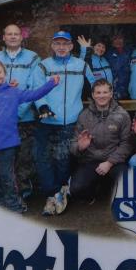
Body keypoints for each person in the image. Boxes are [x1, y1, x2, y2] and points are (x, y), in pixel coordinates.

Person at [0, 61, 59, 212]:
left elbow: (34, 94)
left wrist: (51, 83)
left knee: (7, 176)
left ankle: (13, 206)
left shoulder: (13, 92)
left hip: (7, 144)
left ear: (5, 73)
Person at [32, 31, 96, 216]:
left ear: (71, 46)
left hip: (71, 121)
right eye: (57, 43)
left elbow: (95, 85)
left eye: (65, 44)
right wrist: (42, 106)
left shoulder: (81, 65)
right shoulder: (43, 65)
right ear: (52, 46)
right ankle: (50, 194)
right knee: (43, 158)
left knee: (63, 159)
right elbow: (36, 88)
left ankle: (60, 194)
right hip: (47, 119)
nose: (61, 47)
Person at [0, 23, 42, 197]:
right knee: (3, 156)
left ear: (21, 37)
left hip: (24, 117)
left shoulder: (33, 57)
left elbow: (34, 87)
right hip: (0, 119)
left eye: (16, 34)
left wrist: (18, 111)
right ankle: (7, 192)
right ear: (3, 37)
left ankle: (23, 191)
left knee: (24, 156)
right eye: (9, 34)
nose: (13, 37)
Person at [69, 79, 131, 205]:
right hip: (90, 160)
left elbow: (127, 144)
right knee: (76, 189)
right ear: (93, 95)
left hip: (113, 161)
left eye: (105, 92)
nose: (101, 96)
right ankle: (93, 192)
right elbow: (73, 143)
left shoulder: (122, 115)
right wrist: (80, 147)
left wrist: (109, 162)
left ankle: (108, 187)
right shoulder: (84, 115)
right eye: (98, 93)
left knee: (128, 183)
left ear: (111, 94)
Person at [106, 32, 131, 100]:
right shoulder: (108, 54)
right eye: (115, 39)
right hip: (113, 90)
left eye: (120, 38)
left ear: (124, 40)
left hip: (128, 90)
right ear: (112, 42)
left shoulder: (130, 52)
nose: (118, 41)